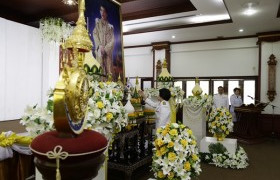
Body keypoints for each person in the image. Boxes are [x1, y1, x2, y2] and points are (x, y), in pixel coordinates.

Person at [93, 5, 114, 76]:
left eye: (104, 11)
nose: (102, 13)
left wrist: (105, 49)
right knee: (99, 71)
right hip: (99, 52)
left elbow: (112, 40)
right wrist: (99, 46)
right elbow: (95, 34)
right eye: (101, 10)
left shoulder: (110, 27)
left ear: (107, 13)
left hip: (107, 53)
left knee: (109, 72)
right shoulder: (97, 24)